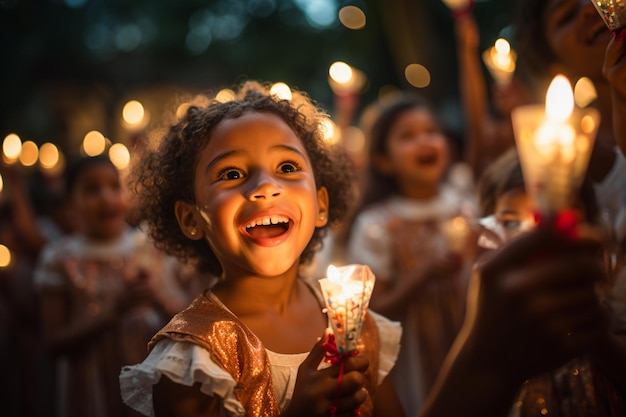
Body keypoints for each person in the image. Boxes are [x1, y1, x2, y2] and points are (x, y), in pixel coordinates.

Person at [118, 81, 613, 417]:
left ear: (319, 204)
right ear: (189, 218)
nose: (266, 188)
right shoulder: (189, 361)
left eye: (288, 168)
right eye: (232, 174)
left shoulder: (352, 323)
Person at [344, 94, 477, 417]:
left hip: (470, 338)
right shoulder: (377, 225)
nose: (424, 140)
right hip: (415, 353)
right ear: (384, 160)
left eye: (431, 131)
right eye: (408, 136)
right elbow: (372, 313)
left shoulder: (466, 205)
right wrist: (423, 276)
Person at [34, 154, 197, 417]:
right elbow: (52, 343)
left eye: (114, 187)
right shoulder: (59, 259)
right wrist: (111, 313)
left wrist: (156, 298)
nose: (106, 198)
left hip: (149, 379)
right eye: (91, 190)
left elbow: (187, 321)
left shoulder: (151, 248)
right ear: (70, 202)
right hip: (89, 386)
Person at [475, 149, 625, 416]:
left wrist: (597, 337)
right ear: (489, 233)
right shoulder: (489, 315)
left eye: (558, 219)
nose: (535, 236)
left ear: (591, 227)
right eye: (511, 223)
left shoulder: (608, 296)